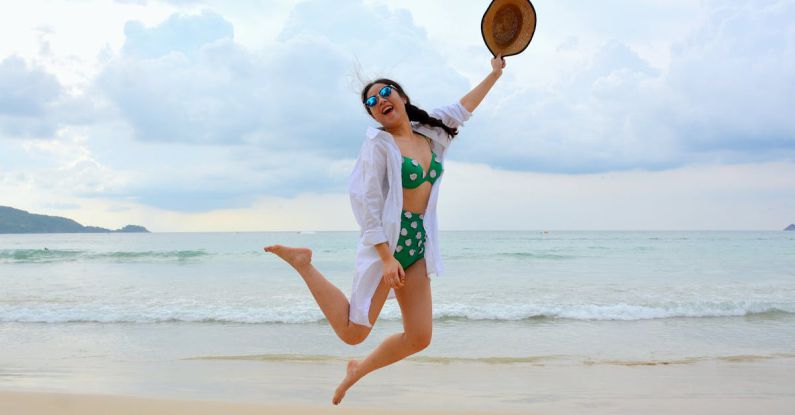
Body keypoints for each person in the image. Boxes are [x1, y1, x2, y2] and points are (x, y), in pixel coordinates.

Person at [264, 54, 506, 405]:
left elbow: (462, 108)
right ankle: (304, 263)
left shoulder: (431, 131)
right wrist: (385, 257)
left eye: (385, 93)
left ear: (402, 98)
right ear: (374, 116)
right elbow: (366, 202)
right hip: (388, 247)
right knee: (352, 332)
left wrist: (494, 74)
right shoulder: (378, 145)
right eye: (371, 103)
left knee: (419, 337)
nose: (379, 101)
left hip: (418, 246)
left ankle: (356, 371)